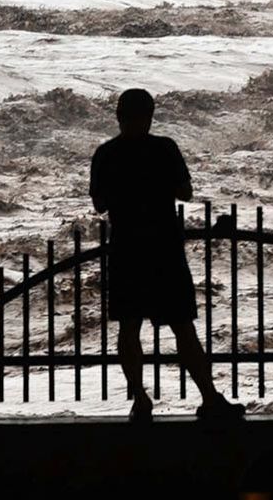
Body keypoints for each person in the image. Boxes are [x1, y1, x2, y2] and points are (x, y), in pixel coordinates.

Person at [89, 88, 245, 422]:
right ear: (150, 115)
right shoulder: (164, 148)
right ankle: (209, 398)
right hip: (163, 248)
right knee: (182, 328)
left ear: (118, 115)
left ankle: (141, 400)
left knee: (129, 330)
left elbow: (99, 204)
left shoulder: (106, 154)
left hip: (126, 249)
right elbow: (185, 192)